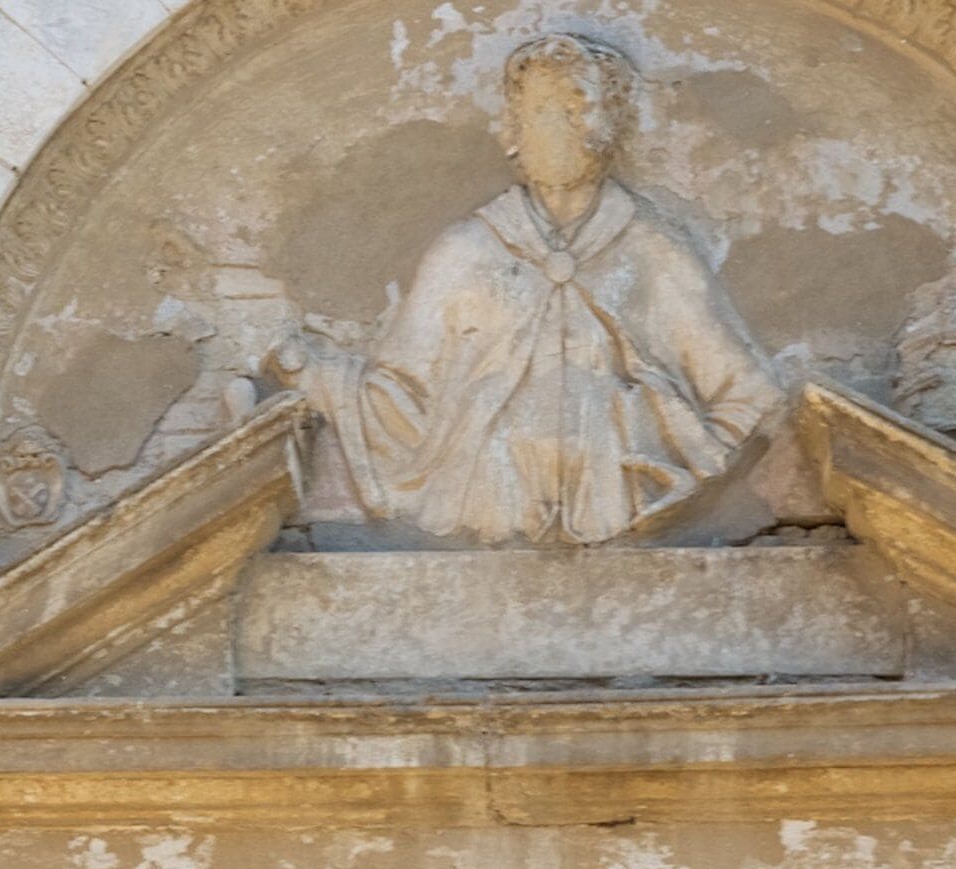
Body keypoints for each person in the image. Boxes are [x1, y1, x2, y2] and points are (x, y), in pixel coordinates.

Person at [270, 33, 782, 545]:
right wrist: (318, 379)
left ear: (611, 126)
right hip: (488, 501)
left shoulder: (654, 253)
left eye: (580, 107)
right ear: (513, 128)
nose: (564, 125)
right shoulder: (466, 251)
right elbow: (404, 396)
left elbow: (744, 390)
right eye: (543, 109)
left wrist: (678, 453)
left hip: (623, 493)